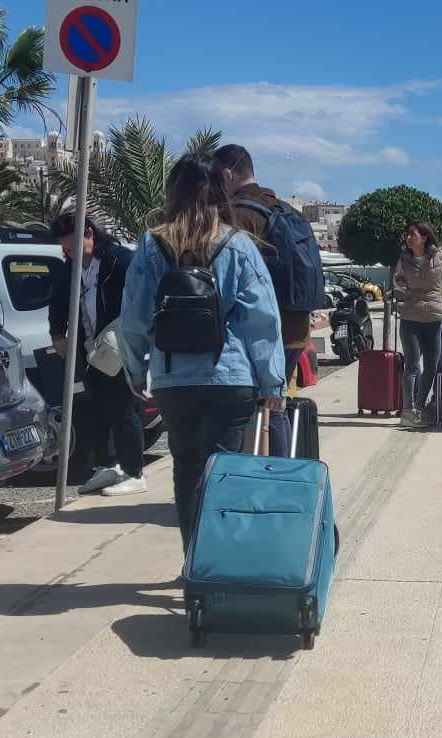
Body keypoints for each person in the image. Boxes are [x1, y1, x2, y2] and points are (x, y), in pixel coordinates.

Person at [116, 154, 285, 553]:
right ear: (220, 191)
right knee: (225, 471)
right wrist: (272, 381)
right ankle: (219, 562)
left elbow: (134, 317)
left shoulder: (153, 244)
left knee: (187, 469)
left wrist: (135, 369)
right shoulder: (237, 244)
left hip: (174, 378)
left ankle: (193, 559)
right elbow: (261, 320)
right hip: (231, 376)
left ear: (174, 190)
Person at [212, 143, 313, 457]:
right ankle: (282, 478)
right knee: (275, 407)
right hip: (296, 328)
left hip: (257, 332)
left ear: (227, 175)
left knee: (250, 413)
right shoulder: (288, 212)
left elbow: (226, 281)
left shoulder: (233, 215)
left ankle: (257, 478)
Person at [48, 212, 147, 497]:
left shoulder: (120, 261)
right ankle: (107, 464)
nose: (70, 254)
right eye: (66, 250)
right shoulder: (70, 267)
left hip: (119, 347)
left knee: (123, 409)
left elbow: (140, 301)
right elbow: (58, 301)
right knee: (96, 410)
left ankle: (135, 472)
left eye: (73, 246)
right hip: (90, 350)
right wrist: (57, 335)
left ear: (89, 233)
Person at [389, 222, 442, 428]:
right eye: (408, 235)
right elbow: (397, 280)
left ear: (425, 237)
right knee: (412, 365)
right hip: (411, 316)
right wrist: (402, 285)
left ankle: (417, 408)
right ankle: (408, 411)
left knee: (431, 366)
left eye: (413, 234)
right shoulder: (404, 259)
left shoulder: (438, 255)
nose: (409, 238)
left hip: (433, 318)